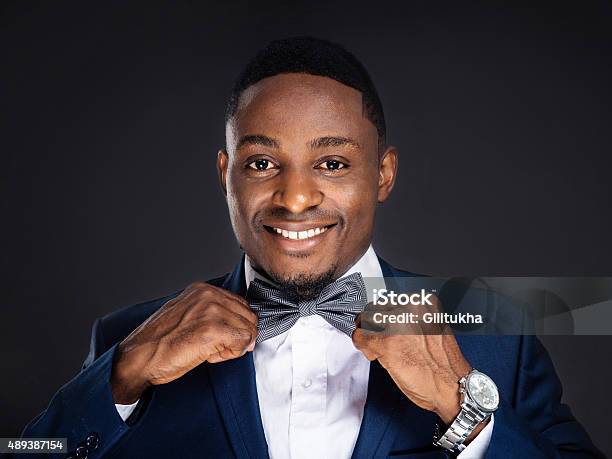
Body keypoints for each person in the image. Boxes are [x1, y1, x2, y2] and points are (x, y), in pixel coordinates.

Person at [22, 37, 602, 459]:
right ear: (226, 174)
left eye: (331, 163)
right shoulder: (126, 340)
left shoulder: (497, 334)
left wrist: (467, 417)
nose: (295, 197)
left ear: (383, 173)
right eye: (262, 163)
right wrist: (118, 378)